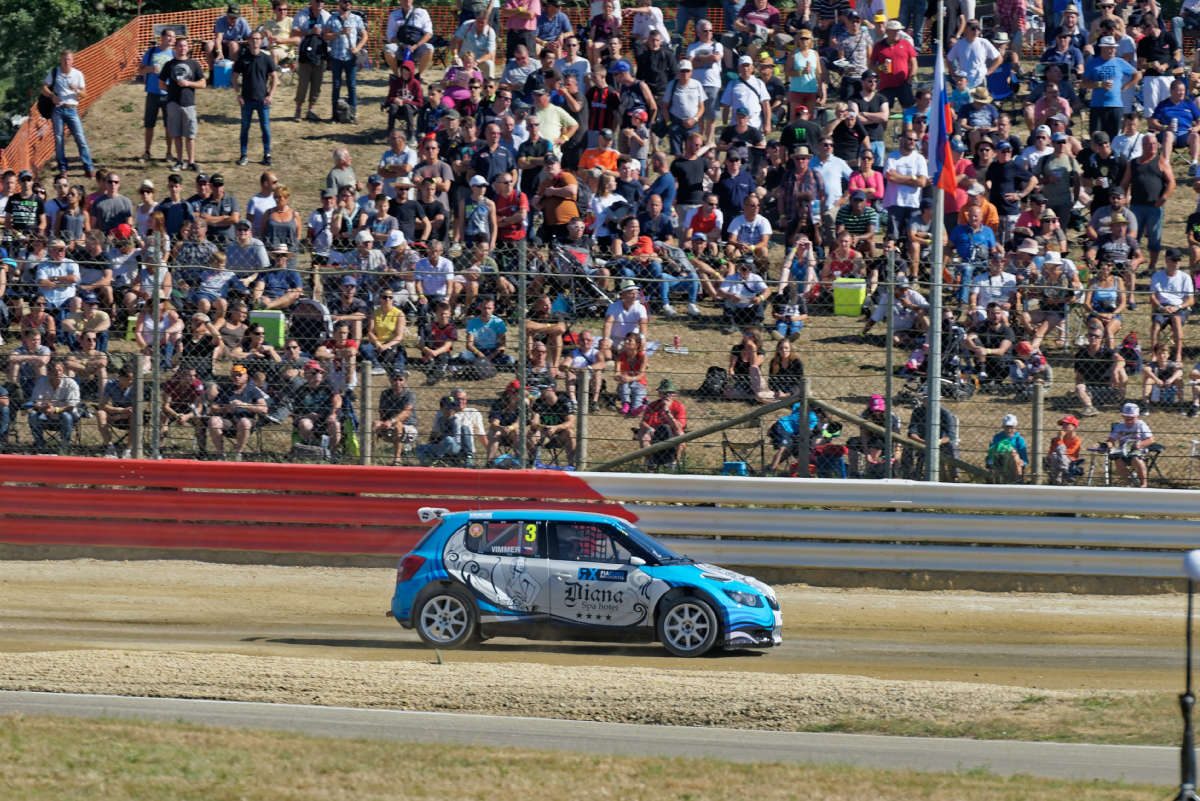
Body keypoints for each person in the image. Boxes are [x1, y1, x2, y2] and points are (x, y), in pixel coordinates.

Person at [42, 50, 94, 178]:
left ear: (72, 61)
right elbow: (43, 88)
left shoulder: (78, 74)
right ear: (61, 60)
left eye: (69, 59)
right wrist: (52, 96)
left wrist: (76, 89)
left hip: (72, 109)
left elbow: (85, 94)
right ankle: (63, 169)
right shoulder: (54, 72)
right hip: (58, 110)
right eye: (64, 59)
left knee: (80, 138)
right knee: (59, 140)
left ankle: (88, 167)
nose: (66, 62)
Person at [159, 36, 206, 173]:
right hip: (173, 103)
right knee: (177, 135)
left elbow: (203, 83)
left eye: (185, 46)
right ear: (175, 48)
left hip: (189, 103)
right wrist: (172, 90)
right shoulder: (169, 64)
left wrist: (188, 84)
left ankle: (191, 162)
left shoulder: (194, 64)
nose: (182, 48)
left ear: (188, 48)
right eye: (180, 46)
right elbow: (161, 83)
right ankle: (180, 161)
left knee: (190, 135)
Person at [233, 31, 278, 167]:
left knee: (265, 128)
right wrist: (238, 95)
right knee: (245, 128)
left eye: (258, 39)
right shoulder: (242, 58)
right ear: (249, 41)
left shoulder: (266, 59)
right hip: (246, 100)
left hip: (262, 100)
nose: (256, 41)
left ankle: (267, 155)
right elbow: (234, 78)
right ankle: (243, 155)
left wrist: (270, 95)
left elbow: (275, 78)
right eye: (253, 39)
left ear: (261, 41)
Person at [206, 362, 268, 460]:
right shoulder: (226, 390)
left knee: (244, 422)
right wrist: (225, 408)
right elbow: (213, 408)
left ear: (246, 376)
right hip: (228, 422)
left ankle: (238, 453)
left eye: (239, 375)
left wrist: (245, 405)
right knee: (213, 420)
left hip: (246, 422)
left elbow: (264, 408)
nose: (237, 377)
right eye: (234, 375)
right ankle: (220, 453)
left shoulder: (253, 390)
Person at [137, 28, 178, 164]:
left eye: (173, 37)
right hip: (152, 93)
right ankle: (147, 151)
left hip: (168, 94)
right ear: (162, 37)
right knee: (149, 124)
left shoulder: (174, 53)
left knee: (169, 126)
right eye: (169, 36)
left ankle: (169, 153)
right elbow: (140, 70)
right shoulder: (151, 52)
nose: (171, 39)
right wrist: (150, 69)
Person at [325, 0, 368, 123]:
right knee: (336, 86)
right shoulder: (332, 19)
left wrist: (357, 48)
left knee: (352, 86)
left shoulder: (356, 18)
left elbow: (365, 35)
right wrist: (339, 33)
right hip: (336, 56)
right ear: (340, 4)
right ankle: (334, 116)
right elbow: (325, 36)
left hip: (350, 57)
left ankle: (352, 115)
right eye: (345, 1)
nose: (348, 3)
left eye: (350, 1)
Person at [1148, 248, 1193, 364]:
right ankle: (1154, 355)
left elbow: (1191, 300)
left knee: (1176, 320)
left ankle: (1178, 355)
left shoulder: (1185, 277)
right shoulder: (1157, 276)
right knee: (1155, 325)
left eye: (1178, 260)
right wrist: (1161, 307)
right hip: (1162, 306)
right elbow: (1152, 297)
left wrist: (1178, 307)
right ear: (1167, 260)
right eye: (1174, 260)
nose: (1177, 263)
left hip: (1179, 307)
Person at [27, 358, 80, 454]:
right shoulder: (42, 381)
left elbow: (71, 405)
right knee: (32, 415)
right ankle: (40, 445)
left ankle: (64, 446)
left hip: (66, 415)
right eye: (55, 371)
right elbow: (35, 401)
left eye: (60, 370)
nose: (58, 373)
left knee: (66, 416)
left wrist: (55, 409)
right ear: (49, 372)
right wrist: (42, 407)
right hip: (45, 415)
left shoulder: (71, 384)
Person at [637, 378, 686, 466]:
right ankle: (650, 462)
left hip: (672, 433)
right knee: (643, 434)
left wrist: (667, 411)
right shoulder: (652, 405)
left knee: (681, 434)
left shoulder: (679, 406)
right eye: (664, 392)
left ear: (674, 394)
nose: (667, 395)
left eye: (670, 393)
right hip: (655, 433)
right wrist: (649, 429)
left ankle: (674, 462)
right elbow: (642, 423)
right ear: (659, 394)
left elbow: (679, 427)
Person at [374, 369, 417, 464]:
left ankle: (397, 459)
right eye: (394, 379)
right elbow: (382, 413)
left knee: (398, 425)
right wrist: (383, 423)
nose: (397, 382)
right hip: (390, 425)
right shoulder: (385, 394)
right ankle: (370, 455)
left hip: (408, 427)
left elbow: (406, 413)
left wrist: (391, 421)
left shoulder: (410, 394)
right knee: (375, 423)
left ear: (404, 381)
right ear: (390, 380)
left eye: (400, 379)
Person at [1105, 402, 1154, 486]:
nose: (1129, 420)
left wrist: (1139, 445)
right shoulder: (1120, 426)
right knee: (1117, 460)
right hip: (1123, 451)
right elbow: (1111, 440)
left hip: (1138, 450)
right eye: (1126, 418)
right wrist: (1108, 445)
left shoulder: (1141, 425)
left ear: (1137, 416)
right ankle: (1127, 483)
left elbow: (1151, 439)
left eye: (1132, 418)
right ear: (1123, 416)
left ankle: (1143, 484)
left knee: (1135, 459)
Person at [529, 384, 576, 464]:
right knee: (533, 435)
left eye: (544, 388)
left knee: (570, 433)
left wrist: (556, 428)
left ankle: (572, 465)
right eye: (540, 389)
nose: (541, 391)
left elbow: (571, 423)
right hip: (544, 433)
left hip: (559, 435)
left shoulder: (564, 401)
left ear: (552, 388)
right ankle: (532, 464)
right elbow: (534, 423)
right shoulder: (539, 402)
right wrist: (543, 427)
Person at [987, 413, 1028, 482]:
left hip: (1014, 464)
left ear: (1016, 427)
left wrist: (1021, 462)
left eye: (1011, 427)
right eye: (1007, 427)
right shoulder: (997, 437)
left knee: (1014, 454)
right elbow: (991, 453)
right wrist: (990, 463)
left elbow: (1025, 459)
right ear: (1003, 426)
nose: (1009, 430)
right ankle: (997, 482)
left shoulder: (1019, 440)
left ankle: (1017, 482)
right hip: (1000, 462)